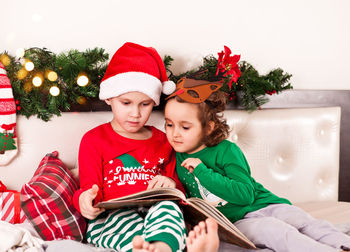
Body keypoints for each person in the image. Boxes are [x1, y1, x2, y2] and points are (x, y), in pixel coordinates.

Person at [164, 77, 350, 252]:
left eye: (185, 127)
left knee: (305, 223)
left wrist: (202, 171)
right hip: (237, 223)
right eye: (169, 124)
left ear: (208, 127)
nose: (175, 134)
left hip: (265, 204)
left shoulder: (227, 150)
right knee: (276, 232)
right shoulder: (174, 155)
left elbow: (245, 195)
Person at [73, 42, 187, 252]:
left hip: (155, 210)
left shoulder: (164, 139)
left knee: (169, 210)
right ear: (109, 98)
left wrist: (170, 182)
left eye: (145, 104)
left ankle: (161, 247)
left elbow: (179, 189)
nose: (135, 113)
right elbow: (89, 189)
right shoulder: (94, 139)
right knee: (119, 222)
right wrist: (84, 200)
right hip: (111, 217)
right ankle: (142, 248)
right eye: (126, 103)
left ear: (154, 103)